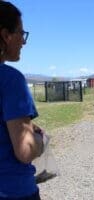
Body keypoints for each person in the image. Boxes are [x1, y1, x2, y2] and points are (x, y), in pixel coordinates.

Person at [0, 1, 45, 199]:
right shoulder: (10, 79)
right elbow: (25, 151)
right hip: (13, 192)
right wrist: (40, 139)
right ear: (5, 36)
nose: (23, 41)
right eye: (21, 33)